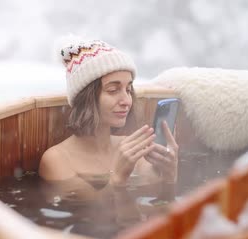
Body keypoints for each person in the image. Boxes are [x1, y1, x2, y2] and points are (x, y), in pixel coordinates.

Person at [39, 37, 178, 198]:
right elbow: (90, 214)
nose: (127, 101)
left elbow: (160, 203)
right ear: (86, 98)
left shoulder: (130, 148)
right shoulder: (58, 160)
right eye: (113, 90)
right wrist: (118, 178)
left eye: (128, 89)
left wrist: (169, 175)